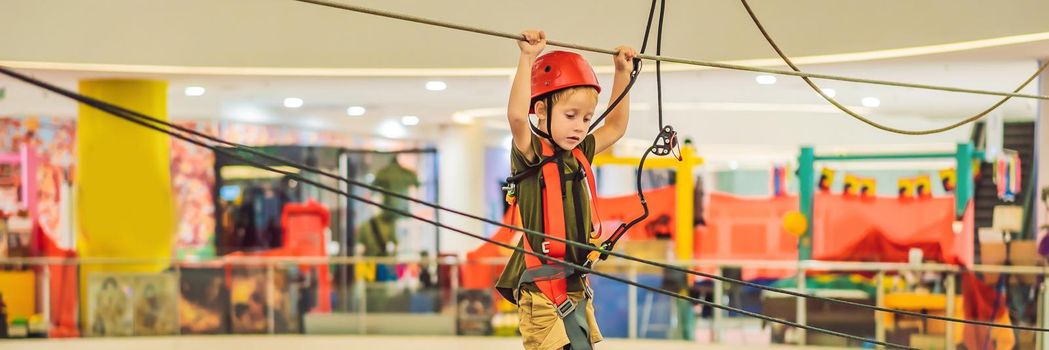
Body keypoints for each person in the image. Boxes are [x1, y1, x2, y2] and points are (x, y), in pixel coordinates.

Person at [494, 29, 636, 350]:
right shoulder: (530, 152)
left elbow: (614, 127)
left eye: (586, 119)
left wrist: (621, 73)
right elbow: (517, 116)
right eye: (570, 116)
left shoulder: (579, 152)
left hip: (574, 284)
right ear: (541, 111)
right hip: (541, 287)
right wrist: (527, 56)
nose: (580, 126)